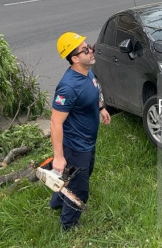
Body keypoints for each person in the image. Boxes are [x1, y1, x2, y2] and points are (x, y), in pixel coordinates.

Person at [50, 32, 111, 230]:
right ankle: (68, 225)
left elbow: (94, 89)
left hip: (88, 141)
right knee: (79, 188)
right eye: (85, 50)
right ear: (74, 58)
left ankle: (57, 202)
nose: (90, 50)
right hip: (76, 146)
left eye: (88, 46)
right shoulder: (68, 87)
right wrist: (58, 157)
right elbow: (55, 123)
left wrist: (101, 107)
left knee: (72, 176)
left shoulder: (88, 72)